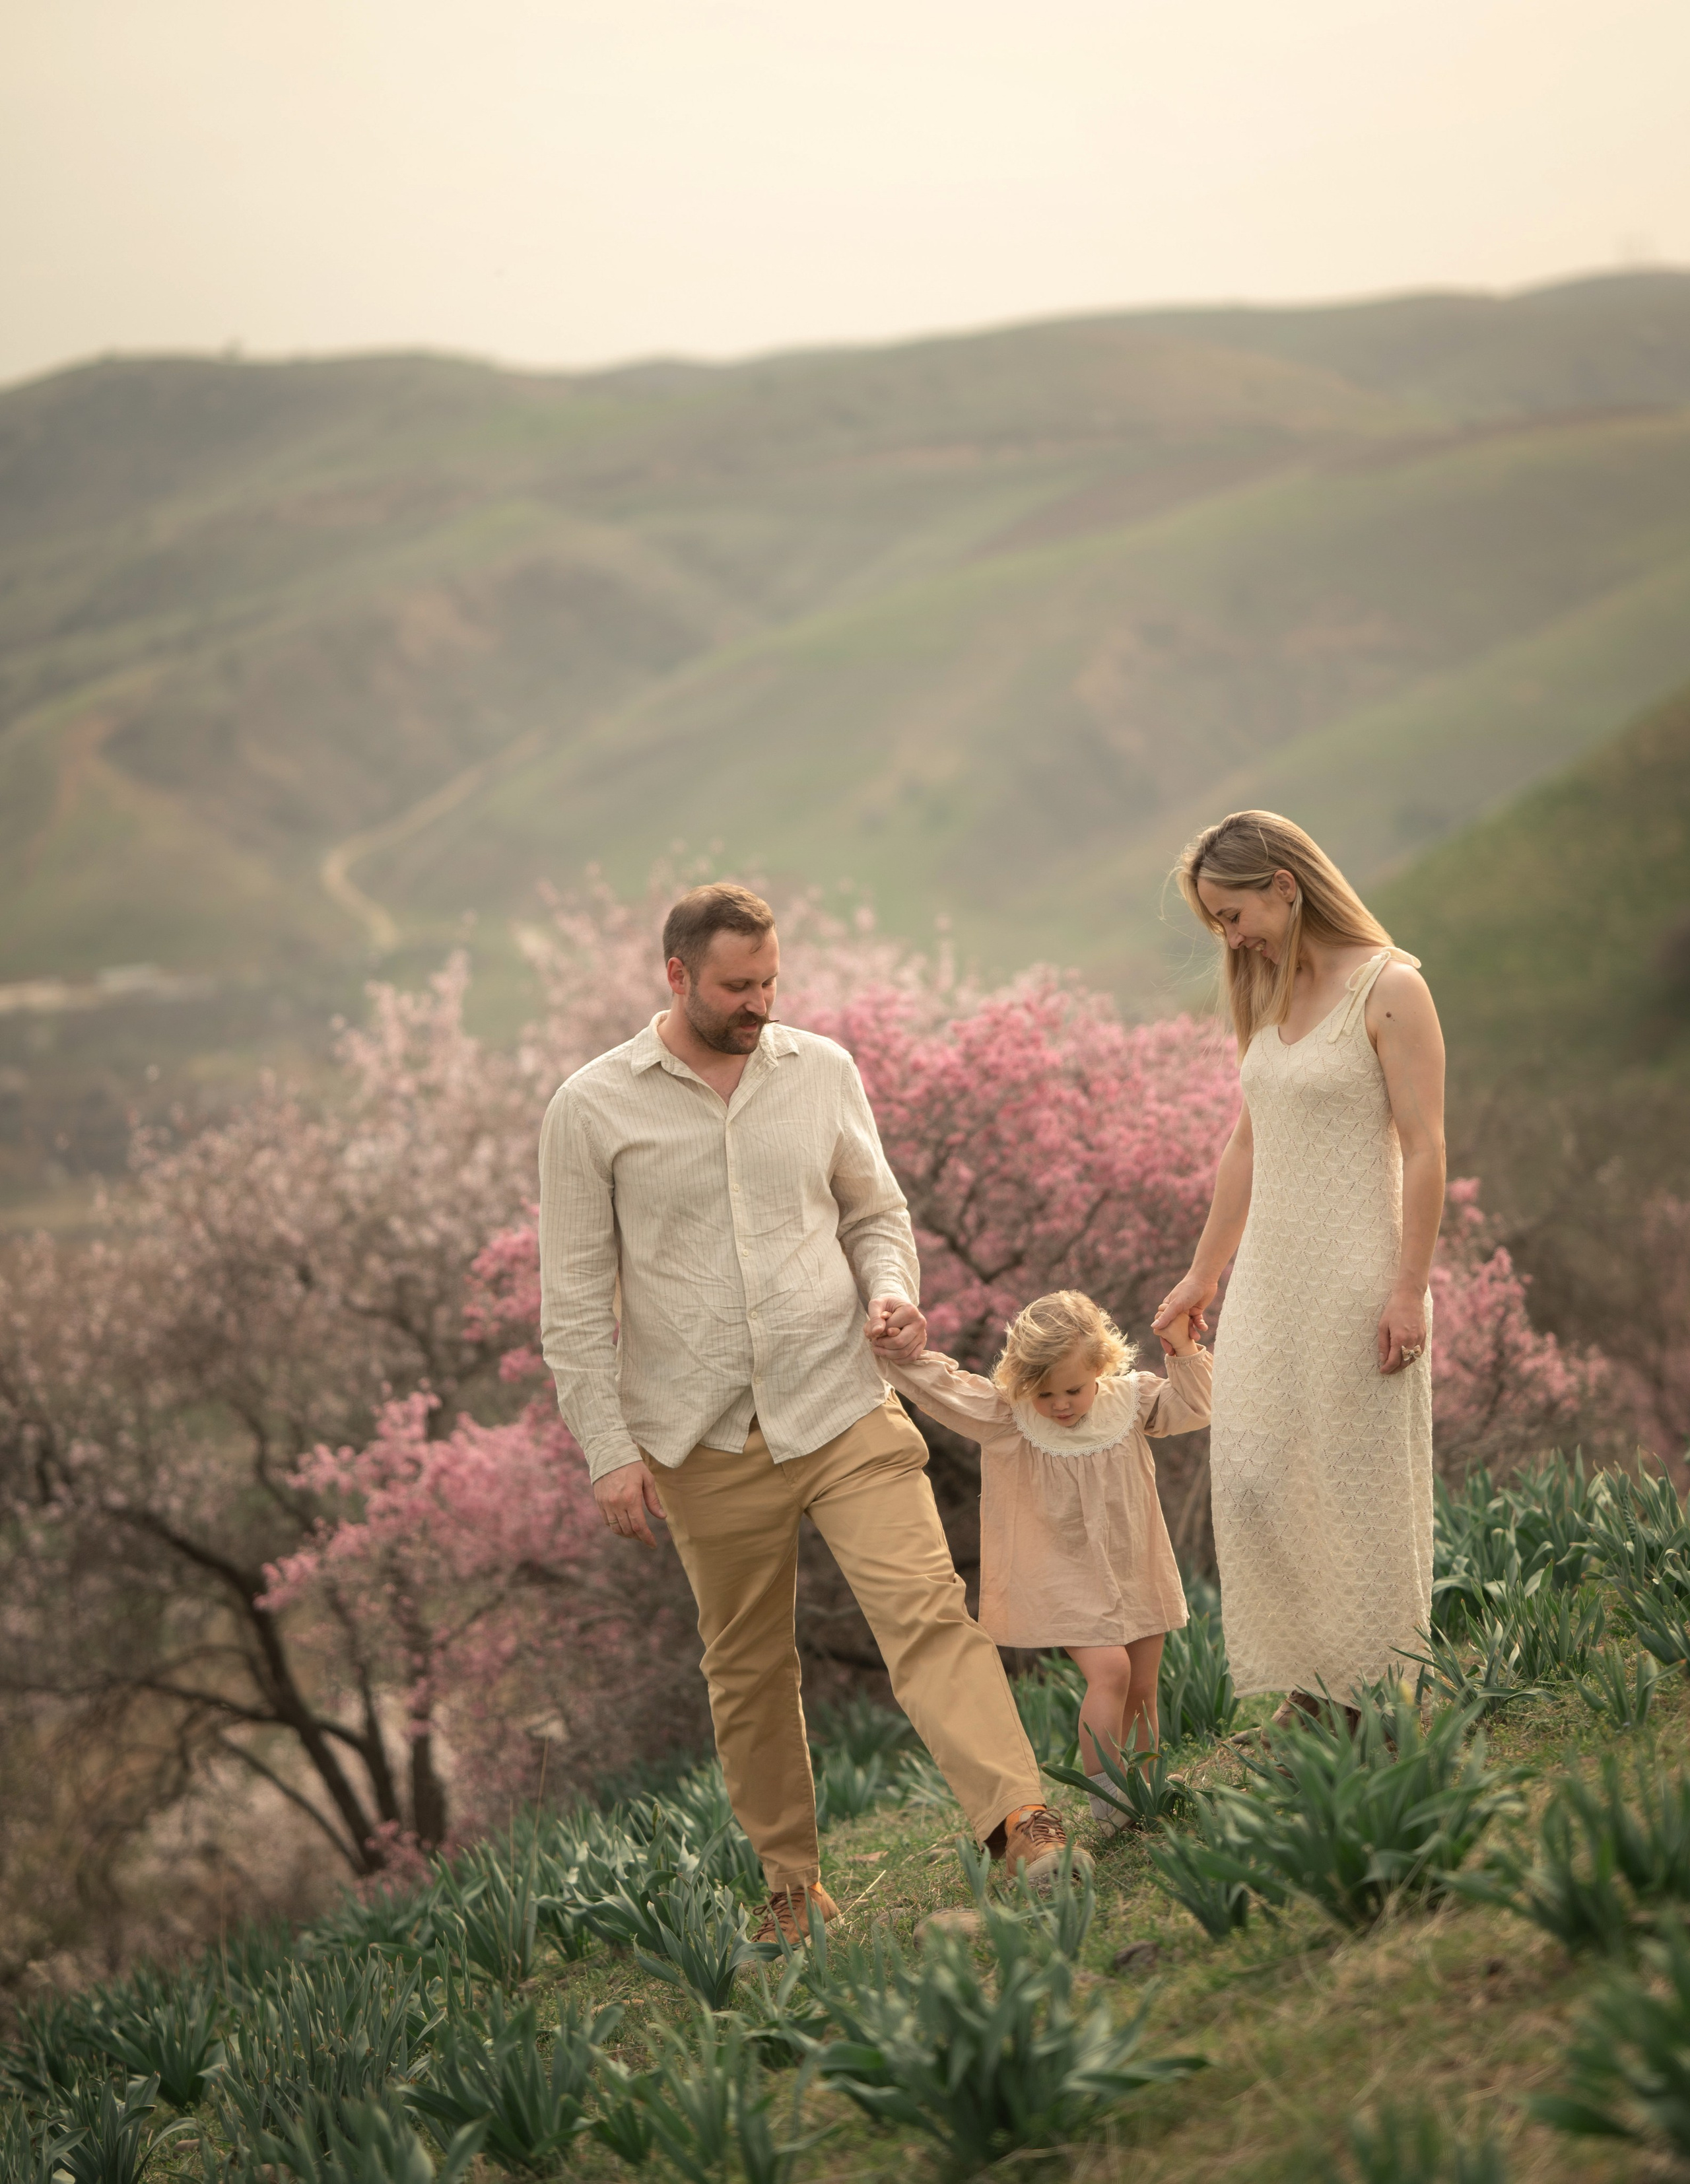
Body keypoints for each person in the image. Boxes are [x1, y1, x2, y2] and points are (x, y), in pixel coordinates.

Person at [538, 881, 1073, 1942]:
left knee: (926, 1609)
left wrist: (892, 1291)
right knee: (747, 1670)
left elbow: (875, 1212)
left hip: (840, 1400)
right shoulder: (591, 1109)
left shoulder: (821, 1070)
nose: (760, 1002)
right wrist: (608, 1451)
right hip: (700, 1440)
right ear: (678, 974)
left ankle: (1020, 1825)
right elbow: (570, 1301)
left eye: (772, 980)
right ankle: (792, 1888)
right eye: (739, 986)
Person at [1153, 811, 1444, 1725]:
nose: (1229, 939)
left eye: (1233, 916)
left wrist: (1408, 1288)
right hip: (1273, 1277)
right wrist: (1204, 1274)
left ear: (1284, 885)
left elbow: (1427, 1146)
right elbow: (1248, 1139)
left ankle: (1370, 1697)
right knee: (1256, 1477)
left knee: (1354, 1481)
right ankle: (1311, 1683)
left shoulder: (1390, 988)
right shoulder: (1270, 991)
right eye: (1216, 924)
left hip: (1360, 1268)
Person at [869, 1289, 1211, 1833]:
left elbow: (1196, 1407)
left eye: (1073, 1389)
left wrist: (1182, 1349)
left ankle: (1146, 1793)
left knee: (1143, 1685)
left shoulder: (1132, 1401)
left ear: (1100, 1365)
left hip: (1133, 1564)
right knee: (1111, 1672)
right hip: (1063, 1575)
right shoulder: (1012, 1418)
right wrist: (898, 1350)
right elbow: (945, 1392)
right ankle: (1109, 1806)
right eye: (1045, 1392)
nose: (1060, 1405)